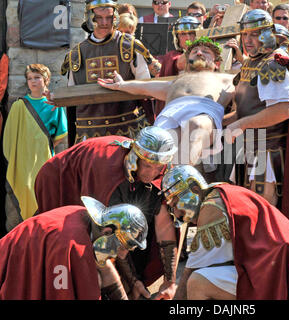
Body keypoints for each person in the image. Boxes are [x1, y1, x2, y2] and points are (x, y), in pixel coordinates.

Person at [224, 9, 289, 262]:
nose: (249, 40)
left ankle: (271, 269)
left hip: (269, 153)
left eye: (255, 34)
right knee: (250, 214)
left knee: (265, 216)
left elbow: (284, 109)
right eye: (245, 34)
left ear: (268, 34)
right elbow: (245, 110)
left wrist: (240, 125)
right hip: (249, 150)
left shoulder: (273, 63)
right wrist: (214, 124)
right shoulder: (250, 63)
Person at [34, 126, 179, 300]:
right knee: (73, 244)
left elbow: (164, 226)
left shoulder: (158, 168)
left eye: (158, 168)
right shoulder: (109, 175)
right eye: (147, 166)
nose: (152, 173)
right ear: (134, 158)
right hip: (61, 179)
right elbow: (107, 238)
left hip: (105, 176)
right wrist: (132, 281)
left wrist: (169, 282)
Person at [160, 165, 289, 300]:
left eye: (176, 202)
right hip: (281, 262)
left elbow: (193, 268)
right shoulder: (221, 192)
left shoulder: (211, 207)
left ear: (194, 189)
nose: (176, 212)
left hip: (279, 269)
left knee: (197, 283)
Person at [98, 36, 235, 173]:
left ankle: (181, 179)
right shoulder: (175, 83)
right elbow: (143, 87)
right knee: (161, 141)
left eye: (205, 52)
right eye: (194, 51)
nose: (199, 53)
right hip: (170, 116)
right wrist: (121, 85)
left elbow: (250, 84)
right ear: (187, 61)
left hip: (204, 117)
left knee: (196, 125)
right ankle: (166, 181)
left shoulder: (227, 80)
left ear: (217, 63)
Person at [0, 196, 148, 300]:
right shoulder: (71, 246)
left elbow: (104, 265)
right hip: (13, 266)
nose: (123, 255)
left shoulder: (90, 223)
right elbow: (60, 292)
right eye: (123, 247)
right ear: (108, 233)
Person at [60, 0, 161, 145]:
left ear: (115, 18)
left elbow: (145, 88)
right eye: (99, 18)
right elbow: (72, 96)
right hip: (89, 132)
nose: (104, 22)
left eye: (108, 17)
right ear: (89, 18)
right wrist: (58, 98)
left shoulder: (129, 46)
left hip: (127, 129)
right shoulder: (76, 54)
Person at [3, 63, 68, 232]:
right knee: (24, 190)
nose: (33, 81)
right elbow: (10, 137)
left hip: (44, 160)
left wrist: (42, 147)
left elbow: (60, 134)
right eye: (30, 78)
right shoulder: (19, 105)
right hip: (22, 163)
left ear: (46, 79)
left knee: (43, 194)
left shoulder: (53, 104)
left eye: (37, 77)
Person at [155, 16, 201, 116]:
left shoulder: (206, 54)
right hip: (176, 107)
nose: (188, 37)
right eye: (183, 34)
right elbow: (181, 63)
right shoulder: (171, 56)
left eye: (191, 33)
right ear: (177, 37)